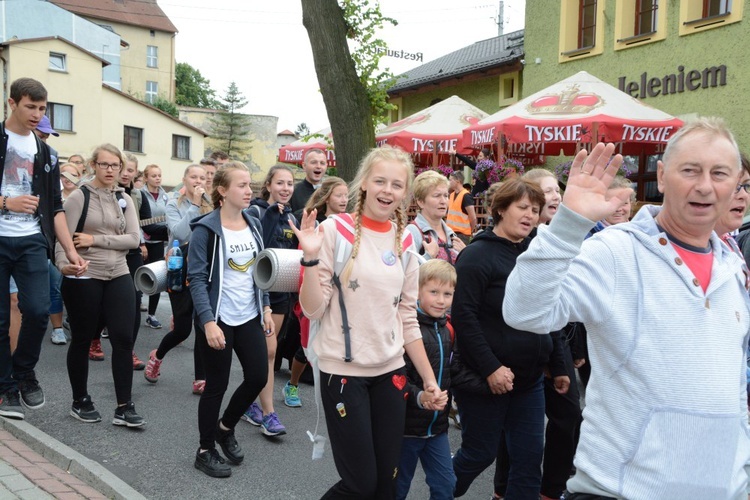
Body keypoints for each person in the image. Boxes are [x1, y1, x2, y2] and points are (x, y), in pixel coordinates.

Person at [503, 119, 750, 499]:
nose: (705, 185)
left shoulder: (732, 269)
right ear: (663, 177)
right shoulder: (616, 252)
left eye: (720, 173)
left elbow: (732, 390)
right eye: (690, 170)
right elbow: (525, 311)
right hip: (621, 490)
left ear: (736, 183)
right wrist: (568, 224)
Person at [293, 146, 447, 498]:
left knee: (386, 484)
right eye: (380, 180)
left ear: (405, 192)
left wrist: (427, 379)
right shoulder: (336, 230)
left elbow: (408, 317)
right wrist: (311, 258)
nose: (387, 190)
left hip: (391, 373)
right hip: (343, 374)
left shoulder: (407, 239)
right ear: (364, 183)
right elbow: (314, 310)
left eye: (396, 184)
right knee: (360, 484)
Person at [451, 179, 552, 498]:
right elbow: (464, 319)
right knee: (479, 453)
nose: (530, 216)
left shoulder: (535, 253)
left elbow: (548, 309)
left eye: (535, 210)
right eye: (522, 207)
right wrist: (491, 368)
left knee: (529, 458)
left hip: (530, 381)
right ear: (500, 210)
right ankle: (442, 492)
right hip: (485, 379)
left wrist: (558, 363)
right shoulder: (476, 256)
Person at [0, 78, 86, 420]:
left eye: (42, 109)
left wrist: (69, 251)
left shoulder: (46, 152)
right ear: (12, 103)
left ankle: (24, 374)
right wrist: (7, 202)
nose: (37, 114)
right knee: (1, 319)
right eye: (30, 107)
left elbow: (55, 208)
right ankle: (5, 385)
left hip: (33, 241)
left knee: (38, 309)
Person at [187, 162, 273, 478]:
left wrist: (264, 307)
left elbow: (261, 269)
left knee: (257, 376)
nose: (249, 190)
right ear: (223, 190)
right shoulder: (206, 229)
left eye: (250, 185)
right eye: (241, 185)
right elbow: (196, 278)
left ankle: (225, 428)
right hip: (219, 319)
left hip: (249, 315)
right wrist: (208, 322)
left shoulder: (253, 221)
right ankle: (205, 450)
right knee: (216, 386)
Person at [57, 143, 144, 427]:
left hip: (118, 272)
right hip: (84, 274)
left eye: (115, 165)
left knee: (123, 338)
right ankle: (80, 400)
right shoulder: (79, 197)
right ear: (94, 165)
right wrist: (63, 264)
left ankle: (124, 406)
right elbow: (63, 240)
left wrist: (96, 240)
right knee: (82, 339)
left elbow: (133, 238)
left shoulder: (124, 198)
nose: (110, 170)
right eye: (105, 164)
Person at [280, 176, 349, 408]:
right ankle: (292, 384)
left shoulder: (349, 225)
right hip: (316, 290)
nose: (344, 199)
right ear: (327, 197)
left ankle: (338, 394)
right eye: (339, 195)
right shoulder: (316, 224)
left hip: (343, 295)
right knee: (307, 345)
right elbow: (305, 259)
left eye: (346, 195)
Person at [144, 164, 211, 394]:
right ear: (184, 179)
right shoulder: (174, 203)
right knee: (182, 330)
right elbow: (181, 233)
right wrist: (194, 205)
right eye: (194, 177)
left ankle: (200, 378)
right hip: (179, 269)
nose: (199, 181)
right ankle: (157, 355)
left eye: (203, 177)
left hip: (204, 270)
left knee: (203, 325)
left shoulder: (211, 204)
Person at [395, 259, 457, 500]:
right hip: (406, 430)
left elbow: (455, 371)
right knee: (397, 488)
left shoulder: (448, 329)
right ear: (416, 291)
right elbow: (398, 379)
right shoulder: (406, 330)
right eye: (433, 292)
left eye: (448, 293)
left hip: (437, 429)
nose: (441, 300)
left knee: (445, 486)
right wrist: (420, 397)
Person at [243, 164, 297, 436]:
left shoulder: (292, 218)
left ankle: (249, 401)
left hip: (281, 294)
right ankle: (268, 413)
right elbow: (258, 247)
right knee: (268, 352)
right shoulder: (256, 211)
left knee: (270, 353)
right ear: (268, 185)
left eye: (289, 184)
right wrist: (271, 217)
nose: (285, 188)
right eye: (280, 183)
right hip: (259, 293)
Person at [407, 170, 465, 264]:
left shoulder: (451, 234)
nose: (443, 201)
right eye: (437, 196)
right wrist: (427, 257)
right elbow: (406, 273)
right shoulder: (413, 232)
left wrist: (465, 254)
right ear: (421, 202)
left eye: (446, 196)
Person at [141, 164, 169, 329]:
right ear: (146, 178)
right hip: (143, 242)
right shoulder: (140, 195)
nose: (157, 178)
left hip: (158, 242)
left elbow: (168, 219)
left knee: (157, 278)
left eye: (159, 175)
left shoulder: (166, 196)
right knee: (137, 278)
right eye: (153, 175)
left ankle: (151, 315)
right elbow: (137, 221)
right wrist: (141, 243)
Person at [290, 148, 327, 220]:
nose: (318, 166)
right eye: (313, 162)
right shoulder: (292, 191)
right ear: (304, 166)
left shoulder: (329, 192)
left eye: (322, 163)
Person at [446, 171, 476, 245]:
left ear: (458, 181)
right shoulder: (451, 195)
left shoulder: (466, 195)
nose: (448, 182)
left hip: (462, 235)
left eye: (450, 180)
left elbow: (473, 217)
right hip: (450, 233)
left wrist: (469, 231)